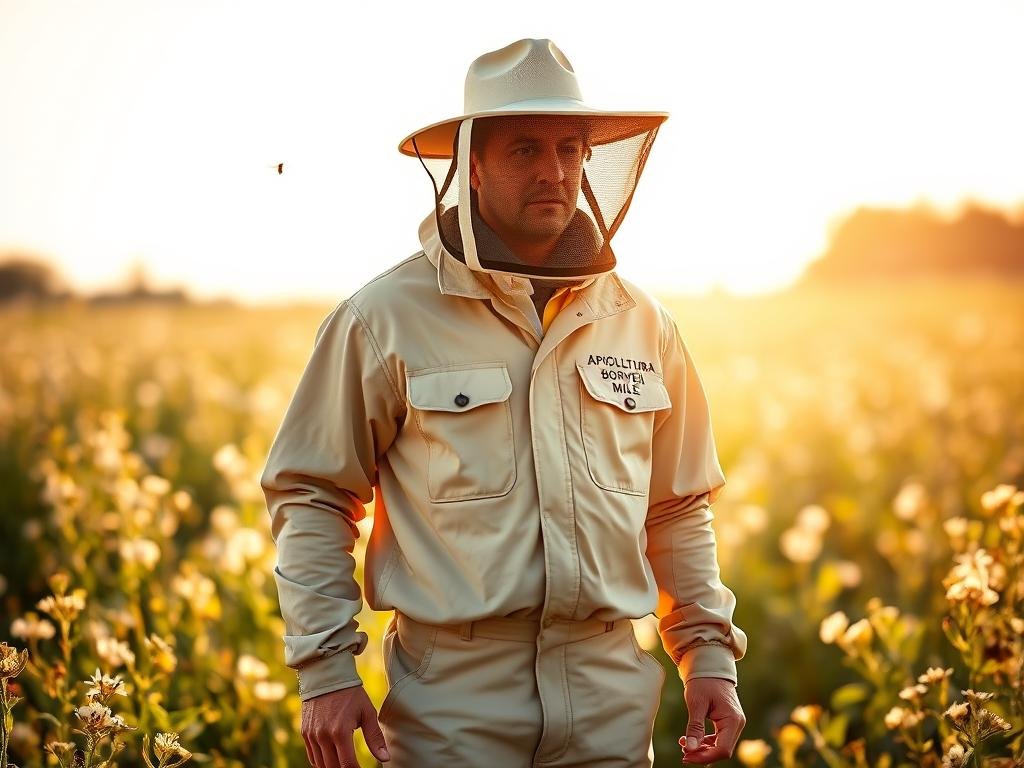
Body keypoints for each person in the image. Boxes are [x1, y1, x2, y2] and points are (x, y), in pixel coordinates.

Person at [261, 38, 748, 768]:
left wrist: (708, 652)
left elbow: (677, 507)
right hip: (450, 714)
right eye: (524, 149)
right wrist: (326, 673)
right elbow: (313, 495)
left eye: (569, 149)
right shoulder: (383, 318)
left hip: (611, 704)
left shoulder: (645, 323)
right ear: (471, 164)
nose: (553, 171)